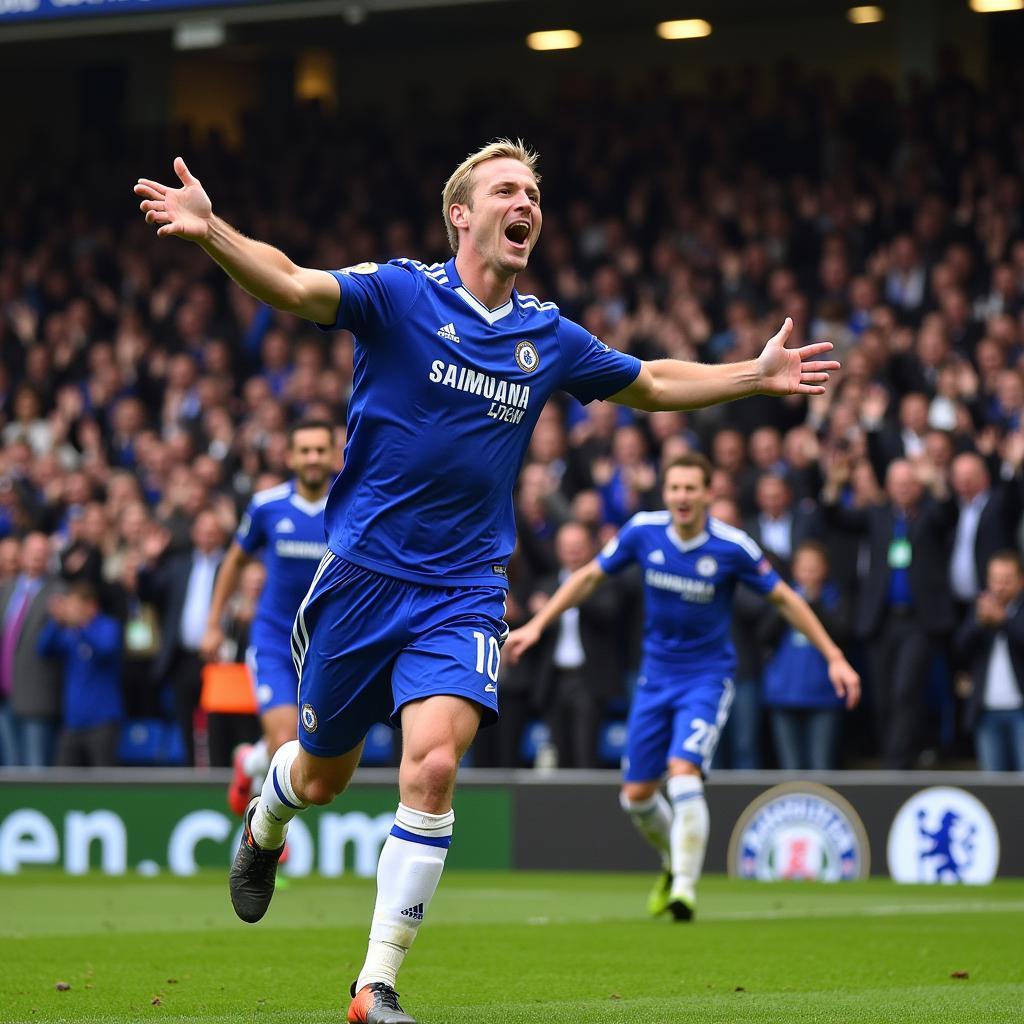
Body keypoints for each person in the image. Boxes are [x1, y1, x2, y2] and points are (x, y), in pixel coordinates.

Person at [135, 140, 839, 1024]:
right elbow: (292, 283)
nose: (528, 203)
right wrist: (212, 234)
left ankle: (375, 983)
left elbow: (651, 381)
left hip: (464, 587)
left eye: (535, 193)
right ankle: (265, 821)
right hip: (359, 578)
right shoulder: (399, 293)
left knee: (431, 765)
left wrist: (753, 376)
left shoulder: (545, 336)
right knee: (320, 779)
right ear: (460, 215)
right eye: (508, 189)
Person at [505, 454, 859, 921]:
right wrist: (539, 623)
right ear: (665, 493)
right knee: (636, 798)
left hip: (707, 678)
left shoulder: (733, 547)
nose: (682, 497)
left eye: (692, 489)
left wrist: (834, 656)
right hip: (654, 679)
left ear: (708, 493)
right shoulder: (642, 532)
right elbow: (589, 576)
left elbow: (786, 599)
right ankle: (675, 863)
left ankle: (685, 891)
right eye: (675, 488)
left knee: (684, 773)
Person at [201, 419, 336, 814]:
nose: (312, 458)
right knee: (286, 739)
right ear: (291, 456)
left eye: (320, 450)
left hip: (326, 645)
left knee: (314, 749)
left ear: (333, 455)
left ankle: (252, 761)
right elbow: (233, 561)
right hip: (275, 639)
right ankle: (271, 838)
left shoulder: (350, 508)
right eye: (305, 450)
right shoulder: (267, 506)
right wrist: (213, 624)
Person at [760, 541, 851, 770]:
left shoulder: (835, 597)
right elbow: (763, 634)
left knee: (821, 765)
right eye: (804, 567)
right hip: (784, 693)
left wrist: (814, 604)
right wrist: (790, 606)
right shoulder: (781, 596)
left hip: (824, 695)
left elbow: (842, 633)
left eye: (815, 567)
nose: (809, 572)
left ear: (825, 569)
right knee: (790, 767)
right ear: (794, 569)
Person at [37, 581, 124, 767]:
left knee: (104, 782)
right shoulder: (71, 632)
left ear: (91, 606)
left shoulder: (107, 626)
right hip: (73, 723)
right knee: (64, 784)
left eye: (75, 606)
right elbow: (44, 649)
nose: (71, 612)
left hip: (103, 723)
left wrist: (81, 627)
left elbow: (106, 649)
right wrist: (56, 622)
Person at [954, 551, 1024, 771]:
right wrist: (979, 623)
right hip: (986, 713)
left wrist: (1003, 620)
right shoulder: (980, 611)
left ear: (1021, 581)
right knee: (994, 788)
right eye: (995, 580)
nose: (1000, 587)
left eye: (1006, 580)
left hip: (1021, 713)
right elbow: (958, 649)